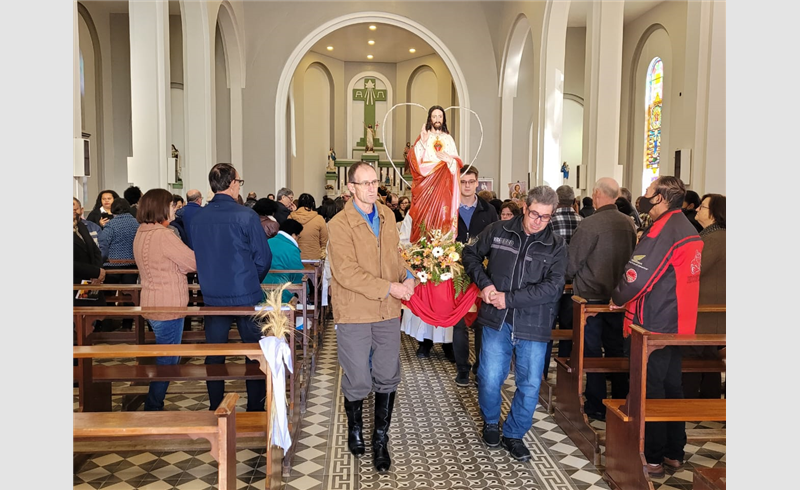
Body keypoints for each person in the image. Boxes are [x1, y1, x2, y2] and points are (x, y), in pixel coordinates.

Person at [462, 186, 566, 462]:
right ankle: (492, 422)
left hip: (534, 324)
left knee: (530, 384)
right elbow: (470, 255)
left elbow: (553, 288)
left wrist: (509, 299)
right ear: (524, 207)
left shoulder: (556, 245)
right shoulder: (499, 231)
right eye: (534, 214)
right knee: (489, 377)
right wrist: (484, 284)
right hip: (497, 322)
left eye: (545, 217)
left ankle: (515, 433)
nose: (538, 221)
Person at [610, 175, 703, 478]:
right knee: (671, 387)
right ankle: (674, 452)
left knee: (650, 390)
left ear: (661, 198)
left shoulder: (664, 230)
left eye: (649, 193)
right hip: (679, 321)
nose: (644, 197)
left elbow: (639, 273)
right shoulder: (686, 227)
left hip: (654, 323)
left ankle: (651, 457)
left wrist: (618, 298)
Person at [327, 161, 416, 472]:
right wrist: (391, 286)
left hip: (386, 311)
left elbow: (394, 256)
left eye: (374, 182)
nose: (371, 188)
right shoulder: (338, 225)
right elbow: (347, 273)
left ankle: (380, 439)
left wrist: (407, 276)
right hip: (354, 310)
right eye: (364, 183)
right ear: (350, 187)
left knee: (387, 373)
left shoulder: (388, 215)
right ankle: (355, 428)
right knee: (358, 377)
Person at [189, 163, 273, 412]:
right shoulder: (245, 215)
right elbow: (263, 257)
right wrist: (250, 279)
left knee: (215, 352)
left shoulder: (198, 217)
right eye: (239, 181)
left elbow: (200, 254)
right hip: (245, 293)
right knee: (254, 352)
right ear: (232, 183)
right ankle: (255, 408)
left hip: (213, 294)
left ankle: (216, 407)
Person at [566, 178, 636, 421]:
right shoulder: (628, 223)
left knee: (592, 353)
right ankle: (619, 399)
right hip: (620, 298)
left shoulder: (590, 224)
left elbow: (572, 262)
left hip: (590, 299)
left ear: (596, 195)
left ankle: (595, 404)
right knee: (618, 351)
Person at [133, 188, 197, 411]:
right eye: (172, 205)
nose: (175, 209)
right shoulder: (163, 235)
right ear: (161, 207)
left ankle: (153, 403)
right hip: (168, 303)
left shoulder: (142, 231)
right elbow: (191, 262)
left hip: (151, 300)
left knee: (165, 356)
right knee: (168, 360)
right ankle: (153, 406)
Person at [451, 166, 498, 386]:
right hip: (455, 272)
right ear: (457, 183)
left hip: (482, 272)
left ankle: (480, 367)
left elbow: (496, 240)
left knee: (481, 323)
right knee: (458, 323)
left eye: (471, 181)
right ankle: (462, 368)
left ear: (477, 182)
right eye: (463, 181)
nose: (467, 185)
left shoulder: (488, 210)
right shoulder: (449, 208)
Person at [683, 193, 726, 399]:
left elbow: (693, 269)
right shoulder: (711, 235)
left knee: (694, 357)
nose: (698, 209)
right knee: (707, 360)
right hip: (710, 312)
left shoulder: (715, 238)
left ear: (715, 214)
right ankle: (709, 400)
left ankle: (690, 404)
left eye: (703, 207)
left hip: (706, 312)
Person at [406, 105, 463, 243]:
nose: (437, 119)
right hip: (425, 185)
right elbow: (413, 160)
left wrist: (450, 161)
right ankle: (423, 248)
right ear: (430, 119)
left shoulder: (448, 139)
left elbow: (456, 163)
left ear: (443, 119)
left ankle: (441, 247)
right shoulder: (424, 137)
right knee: (424, 216)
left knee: (444, 214)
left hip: (444, 185)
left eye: (440, 116)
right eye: (434, 116)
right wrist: (423, 143)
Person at [262, 219, 305, 304]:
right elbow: (297, 274)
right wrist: (306, 291)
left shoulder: (267, 242)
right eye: (298, 237)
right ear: (294, 235)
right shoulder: (292, 249)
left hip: (261, 290)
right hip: (282, 293)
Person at [288, 193, 328, 260]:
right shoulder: (319, 219)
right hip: (314, 258)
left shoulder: (290, 217)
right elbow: (324, 241)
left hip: (294, 257)